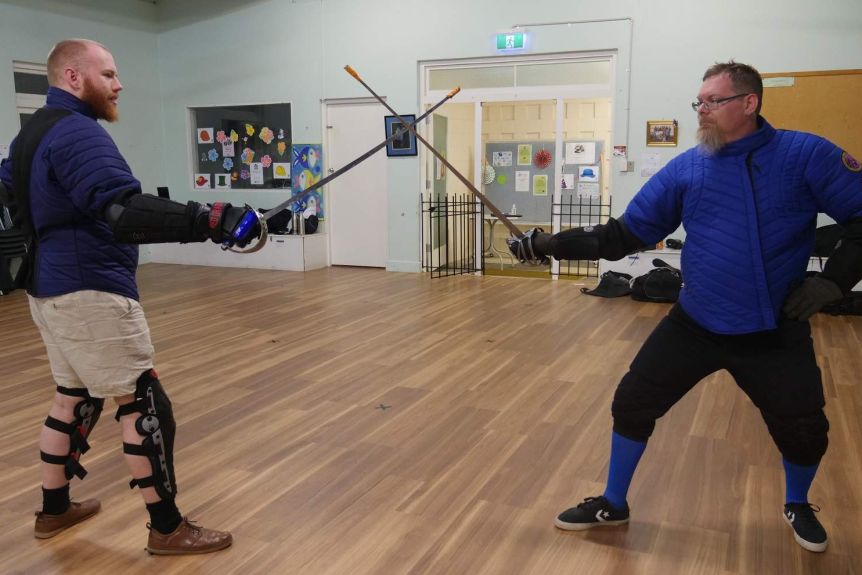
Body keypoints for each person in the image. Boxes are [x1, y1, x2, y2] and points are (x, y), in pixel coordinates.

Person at [508, 61, 862, 553]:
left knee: (806, 430)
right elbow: (623, 234)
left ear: (749, 103)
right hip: (695, 322)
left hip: (774, 329)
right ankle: (613, 501)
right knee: (632, 403)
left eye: (712, 102)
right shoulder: (688, 167)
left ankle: (798, 503)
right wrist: (547, 244)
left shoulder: (806, 154)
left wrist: (832, 283)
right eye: (699, 102)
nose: (702, 111)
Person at [0, 39, 261, 554]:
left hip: (48, 292)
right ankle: (167, 527)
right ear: (73, 77)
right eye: (110, 74)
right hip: (90, 292)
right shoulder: (77, 133)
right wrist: (211, 219)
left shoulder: (30, 134)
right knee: (142, 402)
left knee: (72, 396)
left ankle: (55, 512)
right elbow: (124, 213)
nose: (120, 85)